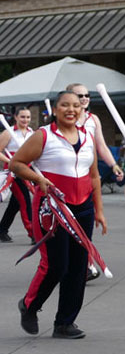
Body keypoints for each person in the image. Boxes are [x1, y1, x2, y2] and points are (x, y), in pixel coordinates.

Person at [10, 91, 108, 339]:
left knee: (78, 266)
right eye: (65, 105)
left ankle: (65, 323)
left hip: (83, 207)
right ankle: (30, 305)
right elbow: (16, 164)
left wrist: (99, 210)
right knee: (56, 264)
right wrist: (39, 178)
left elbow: (94, 175)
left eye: (76, 106)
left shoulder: (87, 137)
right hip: (51, 208)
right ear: (55, 110)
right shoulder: (43, 135)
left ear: (82, 111)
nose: (71, 109)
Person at [67, 83, 124, 184]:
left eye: (87, 95)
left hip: (89, 170)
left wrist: (114, 165)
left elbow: (101, 146)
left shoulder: (93, 119)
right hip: (68, 170)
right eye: (80, 96)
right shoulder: (65, 119)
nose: (84, 98)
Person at [0, 107, 35, 243]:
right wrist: (11, 161)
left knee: (16, 203)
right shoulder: (8, 133)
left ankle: (2, 230)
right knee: (25, 200)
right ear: (15, 117)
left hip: (28, 170)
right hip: (14, 172)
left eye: (28, 117)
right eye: (22, 117)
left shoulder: (32, 133)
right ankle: (33, 233)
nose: (25, 120)